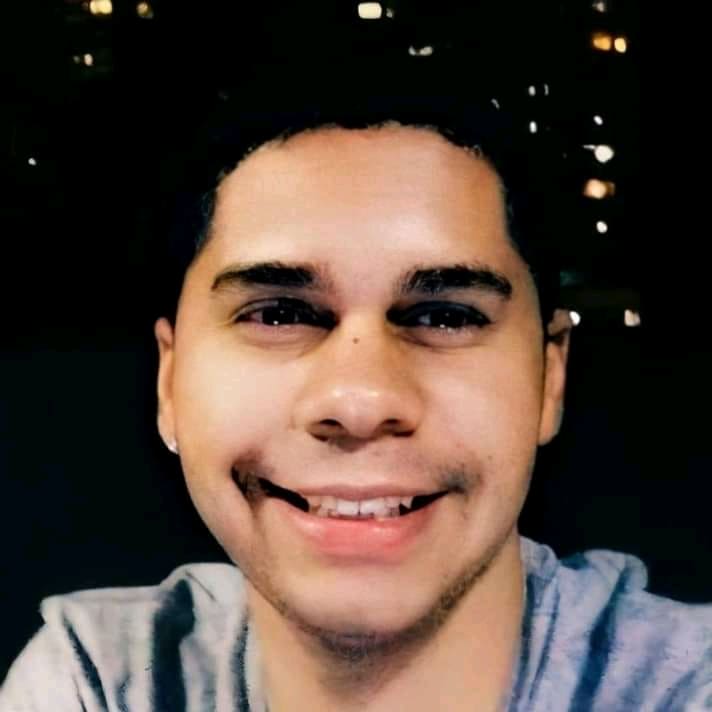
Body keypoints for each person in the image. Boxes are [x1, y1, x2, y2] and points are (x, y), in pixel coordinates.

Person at [2, 97, 710, 712]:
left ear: (549, 378)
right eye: (278, 314)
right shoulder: (102, 680)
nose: (361, 401)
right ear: (170, 380)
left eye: (446, 317)